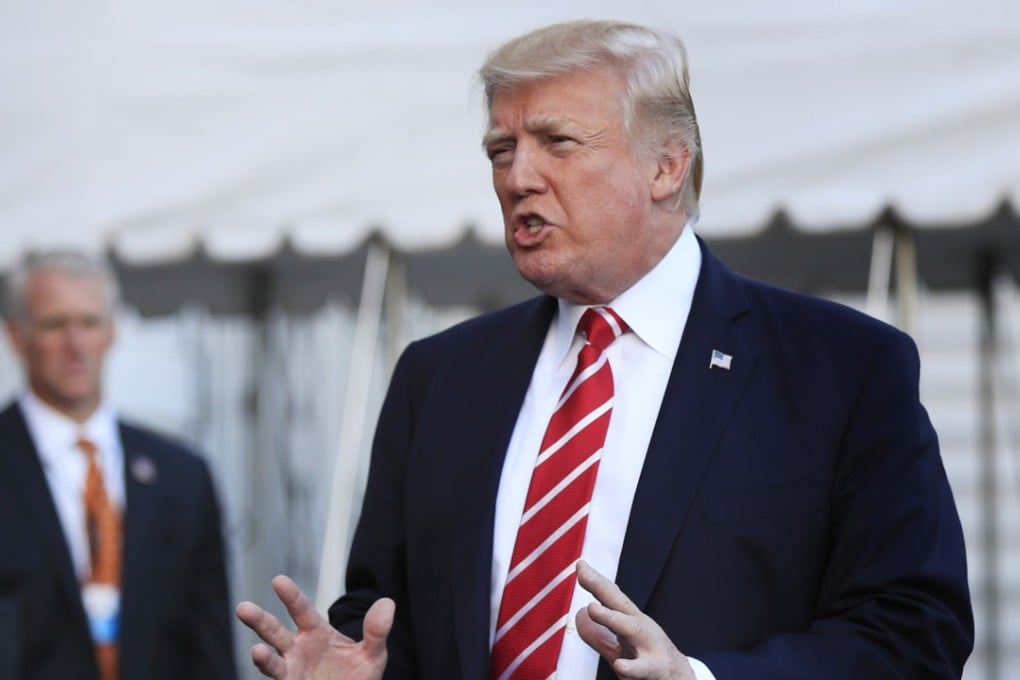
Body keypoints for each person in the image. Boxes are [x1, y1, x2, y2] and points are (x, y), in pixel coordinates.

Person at [237, 19, 974, 679]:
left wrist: (700, 679)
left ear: (666, 167)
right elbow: (385, 620)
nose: (518, 178)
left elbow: (916, 634)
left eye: (556, 141)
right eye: (501, 149)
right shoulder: (439, 378)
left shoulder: (838, 368)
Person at [0, 250, 238, 680]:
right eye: (55, 325)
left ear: (112, 331)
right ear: (16, 335)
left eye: (89, 323)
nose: (75, 346)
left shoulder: (182, 475)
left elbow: (210, 644)